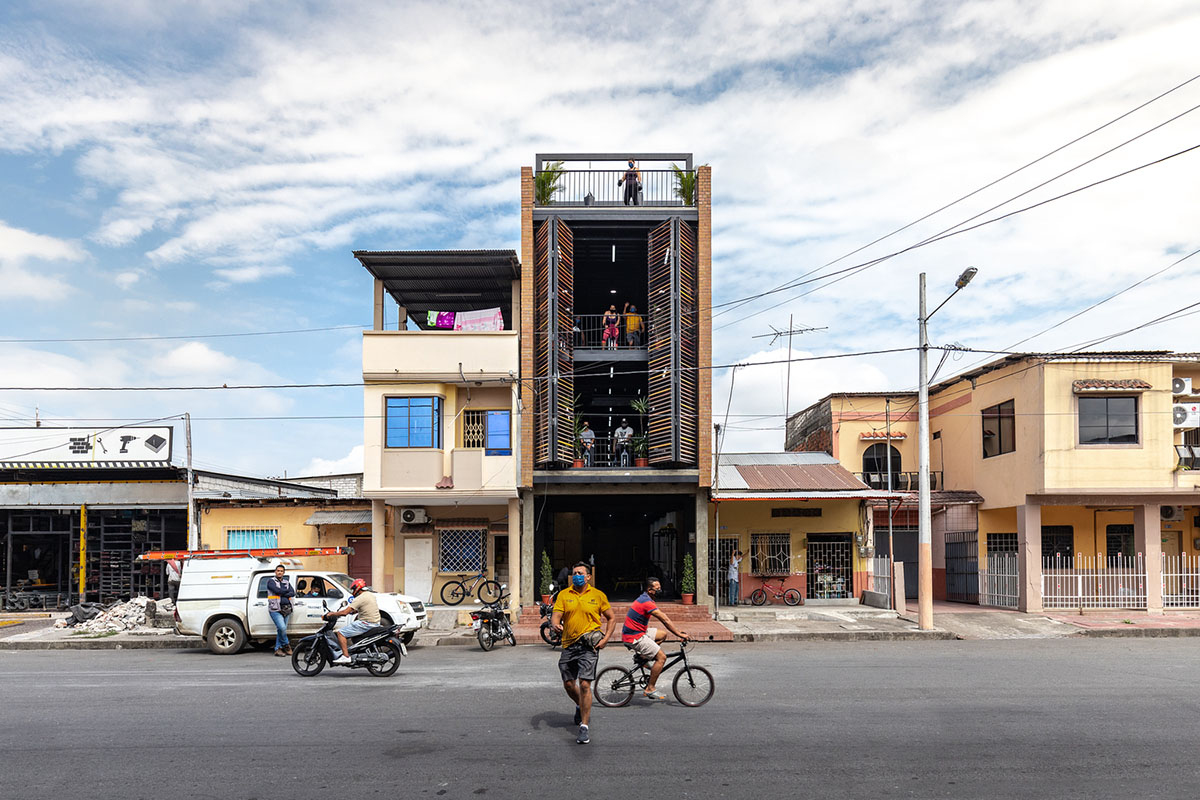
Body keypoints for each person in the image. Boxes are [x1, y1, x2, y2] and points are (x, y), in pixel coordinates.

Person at [550, 561, 615, 745]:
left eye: (580, 573)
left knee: (585, 684)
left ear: (588, 576)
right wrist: (556, 624)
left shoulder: (598, 595)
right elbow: (556, 615)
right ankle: (580, 704)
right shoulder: (564, 594)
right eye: (574, 573)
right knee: (569, 684)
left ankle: (584, 727)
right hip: (569, 644)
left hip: (589, 646)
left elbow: (612, 618)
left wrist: (606, 639)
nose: (576, 575)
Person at [621, 577, 689, 700]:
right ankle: (650, 688)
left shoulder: (646, 598)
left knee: (662, 634)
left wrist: (678, 632)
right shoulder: (646, 602)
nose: (660, 590)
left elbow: (665, 619)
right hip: (634, 636)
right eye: (657, 589)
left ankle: (642, 657)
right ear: (649, 590)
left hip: (637, 632)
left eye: (659, 588)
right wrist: (679, 634)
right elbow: (665, 619)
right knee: (662, 658)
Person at [324, 578, 380, 664]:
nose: (353, 591)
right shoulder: (370, 595)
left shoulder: (360, 598)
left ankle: (346, 656)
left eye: (353, 589)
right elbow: (366, 608)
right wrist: (353, 612)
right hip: (375, 623)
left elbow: (345, 612)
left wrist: (332, 614)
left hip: (366, 623)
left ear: (357, 588)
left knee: (341, 633)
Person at [265, 564, 295, 657]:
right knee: (282, 628)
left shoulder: (286, 582)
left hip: (286, 609)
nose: (279, 572)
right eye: (278, 571)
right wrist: (285, 592)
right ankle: (286, 645)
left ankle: (278, 649)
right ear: (275, 572)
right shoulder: (271, 581)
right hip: (275, 609)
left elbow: (292, 592)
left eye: (281, 571)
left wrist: (282, 591)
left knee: (280, 630)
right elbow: (276, 591)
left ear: (284, 572)